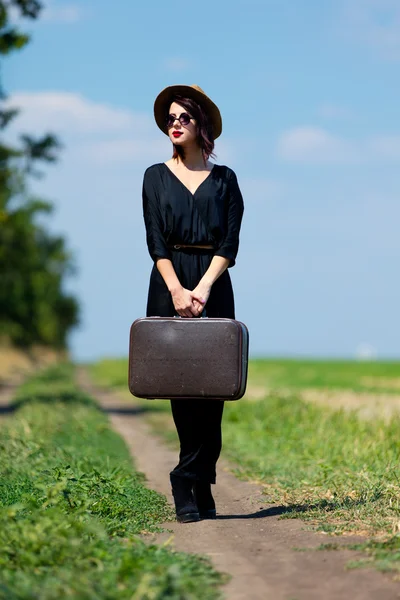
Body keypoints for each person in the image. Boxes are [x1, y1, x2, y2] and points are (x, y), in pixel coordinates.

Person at [142, 84, 244, 523]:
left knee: (215, 388)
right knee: (181, 388)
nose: (175, 124)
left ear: (202, 125)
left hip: (213, 283)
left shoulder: (226, 180)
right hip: (169, 282)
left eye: (183, 116)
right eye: (170, 118)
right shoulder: (153, 175)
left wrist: (202, 287)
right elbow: (155, 240)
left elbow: (231, 241)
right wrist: (178, 291)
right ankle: (189, 483)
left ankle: (196, 478)